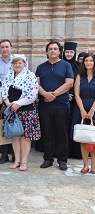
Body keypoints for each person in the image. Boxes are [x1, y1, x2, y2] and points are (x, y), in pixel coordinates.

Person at [36, 41, 73, 171]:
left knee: (61, 133)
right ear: (46, 52)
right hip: (45, 106)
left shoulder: (66, 65)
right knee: (47, 133)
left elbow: (69, 83)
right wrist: (45, 94)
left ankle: (62, 160)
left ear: (59, 51)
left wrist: (54, 95)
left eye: (55, 49)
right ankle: (48, 158)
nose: (52, 51)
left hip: (61, 105)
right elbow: (36, 84)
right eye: (50, 49)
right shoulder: (41, 67)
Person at [1, 54, 41, 171]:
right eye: (15, 63)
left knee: (25, 137)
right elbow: (4, 91)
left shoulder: (30, 76)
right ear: (12, 64)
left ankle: (24, 162)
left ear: (25, 64)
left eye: (20, 63)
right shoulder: (9, 76)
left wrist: (19, 103)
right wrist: (8, 103)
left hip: (26, 110)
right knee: (15, 136)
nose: (17, 65)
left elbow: (33, 94)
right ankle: (17, 161)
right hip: (12, 110)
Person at [72, 53, 95, 174]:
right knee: (83, 137)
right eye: (86, 60)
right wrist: (82, 110)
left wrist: (92, 110)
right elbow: (76, 94)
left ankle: (94, 166)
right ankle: (85, 165)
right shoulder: (79, 76)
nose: (89, 63)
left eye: (91, 61)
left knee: (93, 138)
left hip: (94, 109)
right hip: (81, 109)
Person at [62, 42, 82, 159]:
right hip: (61, 100)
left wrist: (73, 96)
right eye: (67, 52)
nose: (69, 54)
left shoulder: (78, 67)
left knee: (73, 126)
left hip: (75, 102)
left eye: (71, 52)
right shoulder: (61, 65)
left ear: (75, 53)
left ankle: (74, 152)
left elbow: (80, 84)